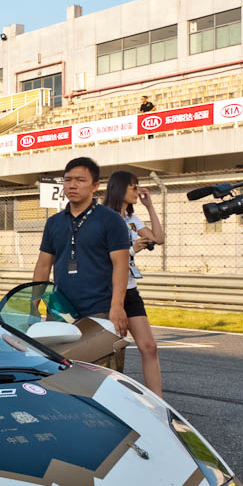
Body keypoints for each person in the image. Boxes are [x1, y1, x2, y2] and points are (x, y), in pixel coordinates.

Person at [33, 157, 130, 338]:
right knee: (56, 357)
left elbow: (121, 264)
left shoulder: (111, 220)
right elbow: (43, 266)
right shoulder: (53, 222)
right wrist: (33, 305)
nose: (72, 185)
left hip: (100, 310)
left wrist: (117, 306)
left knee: (99, 357)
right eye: (68, 180)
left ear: (95, 186)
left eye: (80, 180)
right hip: (60, 311)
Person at [103, 171, 165, 396]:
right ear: (120, 189)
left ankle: (158, 404)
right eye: (133, 187)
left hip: (130, 289)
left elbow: (159, 238)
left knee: (149, 347)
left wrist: (150, 207)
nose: (137, 191)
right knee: (111, 352)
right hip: (108, 291)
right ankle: (109, 399)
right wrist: (132, 249)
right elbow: (101, 257)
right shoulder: (103, 218)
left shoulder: (131, 218)